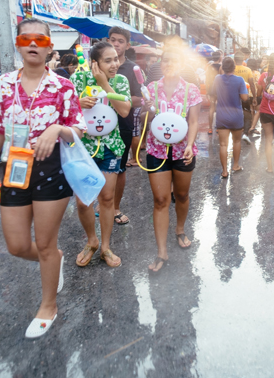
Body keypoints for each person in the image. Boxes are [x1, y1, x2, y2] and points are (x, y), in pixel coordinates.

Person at [0, 18, 86, 338]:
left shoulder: (63, 86)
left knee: (44, 243)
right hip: (14, 167)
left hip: (51, 169)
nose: (32, 45)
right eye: (26, 39)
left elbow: (78, 131)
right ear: (18, 43)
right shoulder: (4, 84)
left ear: (49, 46)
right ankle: (54, 260)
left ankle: (48, 305)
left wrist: (56, 129)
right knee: (16, 245)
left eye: (39, 40)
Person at [141, 46, 202, 273]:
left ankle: (180, 229)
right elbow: (148, 118)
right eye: (166, 60)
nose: (169, 64)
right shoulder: (151, 88)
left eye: (175, 60)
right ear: (161, 63)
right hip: (157, 151)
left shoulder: (191, 90)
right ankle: (161, 252)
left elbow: (194, 121)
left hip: (182, 151)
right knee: (160, 200)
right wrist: (147, 109)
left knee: (182, 194)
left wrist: (189, 144)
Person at [71, 41, 131, 268]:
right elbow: (64, 109)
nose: (115, 64)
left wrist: (104, 84)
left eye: (116, 58)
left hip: (111, 147)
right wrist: (78, 103)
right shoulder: (77, 79)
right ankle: (91, 241)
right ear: (94, 63)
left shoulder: (120, 81)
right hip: (82, 149)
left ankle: (105, 247)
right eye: (108, 60)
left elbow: (124, 110)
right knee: (84, 200)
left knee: (107, 199)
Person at [108, 26, 144, 224]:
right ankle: (103, 203)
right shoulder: (97, 65)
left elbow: (140, 98)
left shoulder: (133, 69)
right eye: (112, 39)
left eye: (120, 41)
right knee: (101, 165)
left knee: (120, 168)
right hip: (99, 126)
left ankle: (115, 207)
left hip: (124, 123)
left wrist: (118, 99)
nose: (115, 44)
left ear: (127, 45)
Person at [214, 57, 249, 178]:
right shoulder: (240, 80)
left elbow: (214, 94)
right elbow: (245, 98)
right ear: (234, 67)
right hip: (236, 116)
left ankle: (224, 171)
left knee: (223, 144)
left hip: (222, 116)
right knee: (237, 141)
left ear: (222, 67)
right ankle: (235, 165)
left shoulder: (217, 79)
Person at [232, 51, 255, 144]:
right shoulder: (247, 70)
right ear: (243, 60)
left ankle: (235, 134)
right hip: (245, 96)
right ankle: (245, 133)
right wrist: (254, 97)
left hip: (233, 96)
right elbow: (252, 84)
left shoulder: (232, 69)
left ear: (234, 59)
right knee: (247, 115)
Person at [205, 50, 223, 134]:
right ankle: (218, 128)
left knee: (211, 108)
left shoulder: (209, 67)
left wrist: (207, 91)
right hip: (219, 89)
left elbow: (207, 80)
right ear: (220, 58)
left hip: (211, 89)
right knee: (219, 108)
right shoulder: (221, 67)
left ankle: (210, 128)